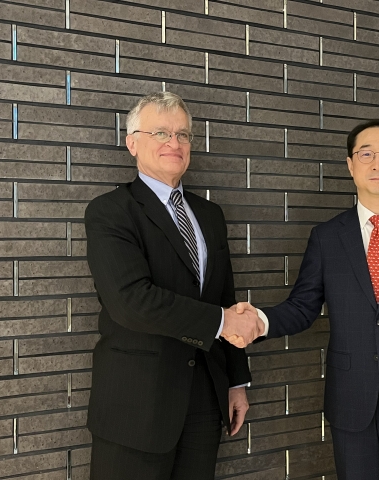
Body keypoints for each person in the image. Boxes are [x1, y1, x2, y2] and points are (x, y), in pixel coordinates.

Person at [225, 120, 379, 480]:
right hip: (350, 399)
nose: (377, 163)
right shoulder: (326, 237)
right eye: (366, 154)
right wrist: (261, 320)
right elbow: (303, 307)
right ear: (350, 165)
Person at [84, 91, 264, 480]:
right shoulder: (110, 212)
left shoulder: (210, 215)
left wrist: (236, 381)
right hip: (136, 406)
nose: (174, 143)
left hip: (203, 399)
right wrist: (220, 323)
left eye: (183, 135)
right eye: (161, 132)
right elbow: (130, 301)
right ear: (132, 143)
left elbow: (225, 299)